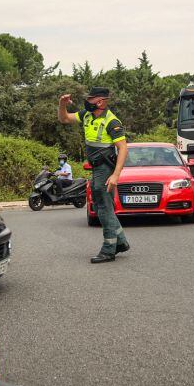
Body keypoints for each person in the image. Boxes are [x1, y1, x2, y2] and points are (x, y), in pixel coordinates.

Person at [57, 87, 130, 263]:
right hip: (96, 168)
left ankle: (108, 249)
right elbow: (64, 118)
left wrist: (116, 175)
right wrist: (62, 105)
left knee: (103, 207)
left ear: (101, 102)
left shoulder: (112, 122)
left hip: (105, 168)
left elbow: (123, 148)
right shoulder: (87, 115)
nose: (87, 101)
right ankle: (121, 241)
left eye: (91, 99)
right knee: (99, 207)